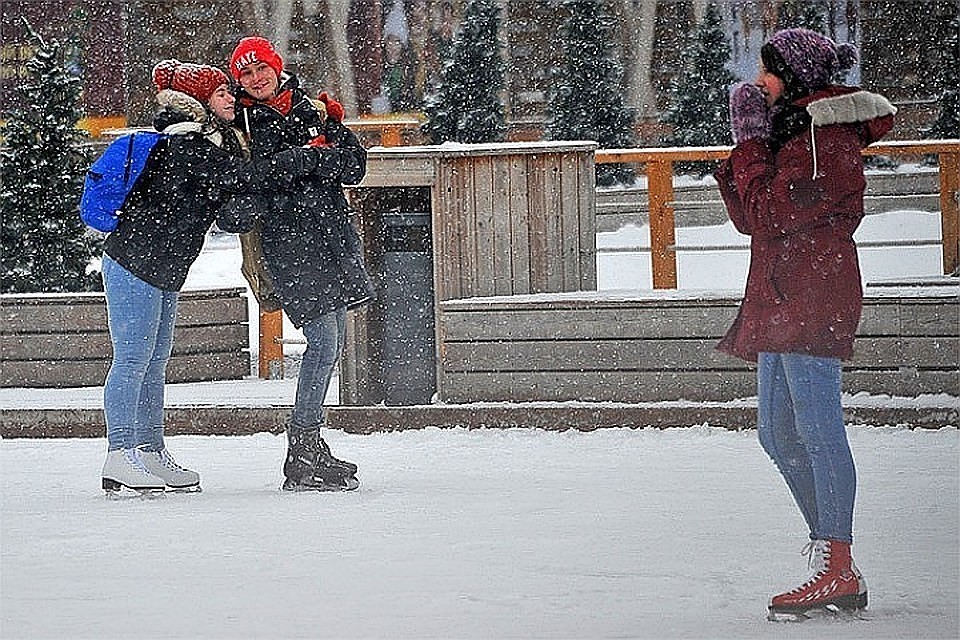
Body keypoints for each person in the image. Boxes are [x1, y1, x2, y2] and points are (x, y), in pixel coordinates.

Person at [100, 59, 347, 496]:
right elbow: (243, 178)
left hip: (164, 268)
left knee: (154, 362)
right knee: (133, 359)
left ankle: (151, 450)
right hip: (134, 262)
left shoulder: (207, 143)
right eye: (220, 93)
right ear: (198, 103)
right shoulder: (186, 145)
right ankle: (120, 454)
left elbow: (235, 201)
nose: (232, 97)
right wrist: (300, 160)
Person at [714, 28, 895, 620]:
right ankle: (832, 557)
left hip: (812, 294)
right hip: (779, 295)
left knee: (817, 430)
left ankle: (836, 562)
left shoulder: (825, 137)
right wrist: (750, 147)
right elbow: (751, 218)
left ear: (792, 75)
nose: (759, 81)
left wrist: (750, 145)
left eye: (768, 71)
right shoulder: (792, 131)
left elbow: (772, 209)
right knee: (779, 434)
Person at [227, 36, 375, 492]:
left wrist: (309, 159)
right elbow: (245, 181)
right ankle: (302, 450)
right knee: (323, 341)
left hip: (330, 239)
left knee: (331, 344)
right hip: (289, 246)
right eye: (245, 75)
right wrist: (299, 162)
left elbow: (354, 164)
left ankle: (308, 448)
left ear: (276, 66)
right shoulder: (242, 124)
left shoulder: (313, 108)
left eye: (261, 69)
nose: (255, 80)